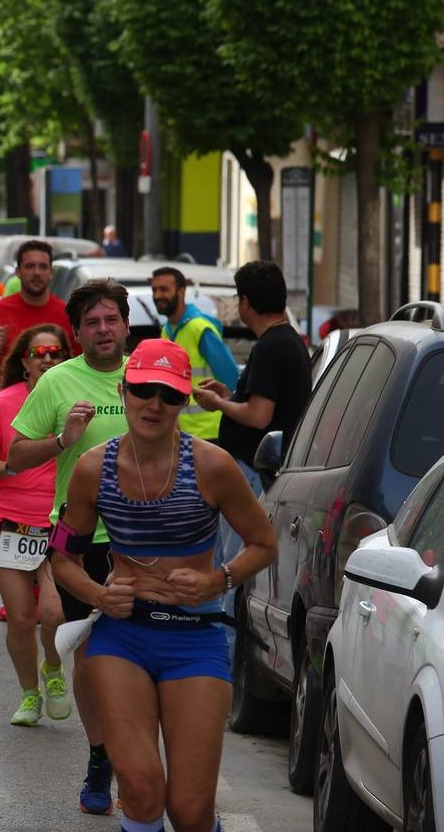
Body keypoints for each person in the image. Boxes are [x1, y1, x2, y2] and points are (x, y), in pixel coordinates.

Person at [52, 338, 276, 832]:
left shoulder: (212, 466)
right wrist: (97, 595)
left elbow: (263, 543)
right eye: (143, 390)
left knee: (190, 810)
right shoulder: (93, 470)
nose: (154, 405)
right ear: (123, 389)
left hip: (195, 640)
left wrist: (218, 579)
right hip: (122, 637)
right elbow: (62, 559)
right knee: (140, 787)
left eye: (169, 395)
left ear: (184, 401)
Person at [5, 278, 132, 815]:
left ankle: (141, 759)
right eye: (92, 323)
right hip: (84, 543)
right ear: (77, 331)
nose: (103, 330)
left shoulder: (149, 375)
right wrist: (62, 439)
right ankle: (101, 757)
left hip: (149, 542)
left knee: (145, 657)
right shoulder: (56, 382)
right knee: (92, 659)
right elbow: (13, 455)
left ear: (126, 325)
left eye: (112, 320)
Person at [191, 259, 310, 636]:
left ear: (245, 302)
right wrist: (232, 395)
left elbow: (260, 417)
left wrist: (218, 405)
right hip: (255, 469)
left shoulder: (274, 346)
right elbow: (259, 403)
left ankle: (223, 656)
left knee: (232, 568)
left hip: (253, 473)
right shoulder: (283, 342)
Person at [0, 326, 71, 726]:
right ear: (25, 362)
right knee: (20, 618)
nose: (47, 359)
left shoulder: (76, 404)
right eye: (39, 353)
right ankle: (30, 693)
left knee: (53, 613)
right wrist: (16, 465)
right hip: (9, 521)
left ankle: (53, 668)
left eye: (55, 353)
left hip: (60, 520)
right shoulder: (1, 404)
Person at [0, 240, 76, 397]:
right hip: (6, 411)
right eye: (30, 266)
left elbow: (81, 370)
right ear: (17, 271)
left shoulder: (69, 314)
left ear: (51, 272)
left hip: (54, 411)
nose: (36, 272)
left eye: (43, 267)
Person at [151, 266, 239, 442]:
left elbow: (232, 380)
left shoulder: (200, 328)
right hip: (180, 434)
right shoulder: (166, 332)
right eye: (154, 289)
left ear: (182, 291)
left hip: (211, 435)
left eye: (164, 289)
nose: (157, 295)